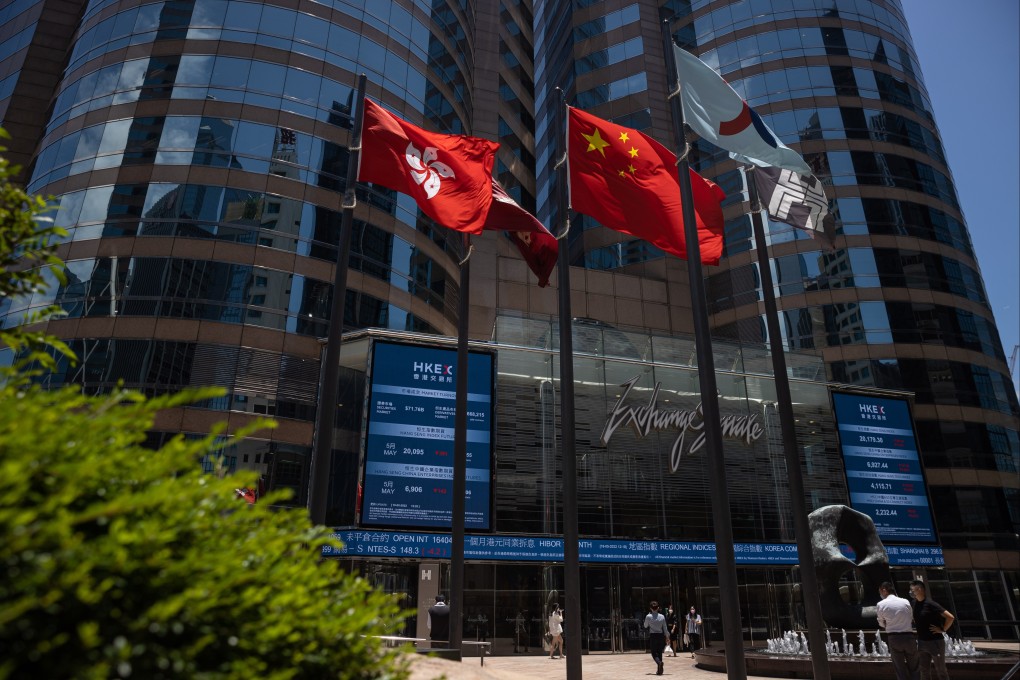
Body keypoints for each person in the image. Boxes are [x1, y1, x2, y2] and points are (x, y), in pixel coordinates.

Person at [910, 579, 955, 680]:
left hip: (935, 642)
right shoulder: (914, 603)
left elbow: (950, 617)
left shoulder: (931, 604)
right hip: (922, 643)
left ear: (920, 589)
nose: (911, 592)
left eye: (913, 590)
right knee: (924, 671)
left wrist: (943, 629)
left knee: (941, 671)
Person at [877, 582, 918, 680]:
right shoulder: (905, 601)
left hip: (894, 638)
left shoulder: (881, 604)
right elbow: (911, 617)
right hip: (909, 637)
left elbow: (881, 623)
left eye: (880, 592)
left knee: (900, 669)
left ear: (884, 590)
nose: (881, 594)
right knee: (915, 667)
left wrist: (888, 624)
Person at [643, 600, 669, 675]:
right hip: (660, 635)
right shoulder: (662, 616)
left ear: (650, 608)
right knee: (659, 652)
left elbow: (645, 626)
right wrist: (667, 636)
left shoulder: (648, 616)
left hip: (653, 636)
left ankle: (659, 663)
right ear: (658, 608)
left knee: (654, 653)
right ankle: (659, 670)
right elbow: (665, 628)